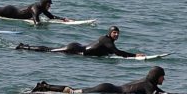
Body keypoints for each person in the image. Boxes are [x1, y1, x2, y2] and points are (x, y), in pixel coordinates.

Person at [32, 66, 171, 94]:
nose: (164, 79)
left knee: (74, 91)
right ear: (157, 76)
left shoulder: (147, 82)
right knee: (73, 92)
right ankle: (45, 87)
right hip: (106, 90)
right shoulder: (148, 85)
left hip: (108, 87)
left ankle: (46, 86)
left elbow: (161, 93)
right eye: (162, 76)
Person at [16, 25, 146, 58]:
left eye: (118, 33)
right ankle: (25, 47)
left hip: (77, 47)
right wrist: (134, 56)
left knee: (50, 49)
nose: (116, 35)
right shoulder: (107, 40)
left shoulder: (107, 40)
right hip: (74, 50)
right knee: (49, 51)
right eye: (114, 32)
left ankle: (25, 46)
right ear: (109, 33)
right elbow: (117, 53)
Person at [0, 0, 67, 25]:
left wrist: (63, 19)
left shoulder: (42, 8)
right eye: (48, 5)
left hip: (13, 10)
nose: (49, 7)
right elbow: (36, 21)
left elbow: (51, 16)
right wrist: (41, 28)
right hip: (9, 12)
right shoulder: (35, 8)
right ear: (44, 4)